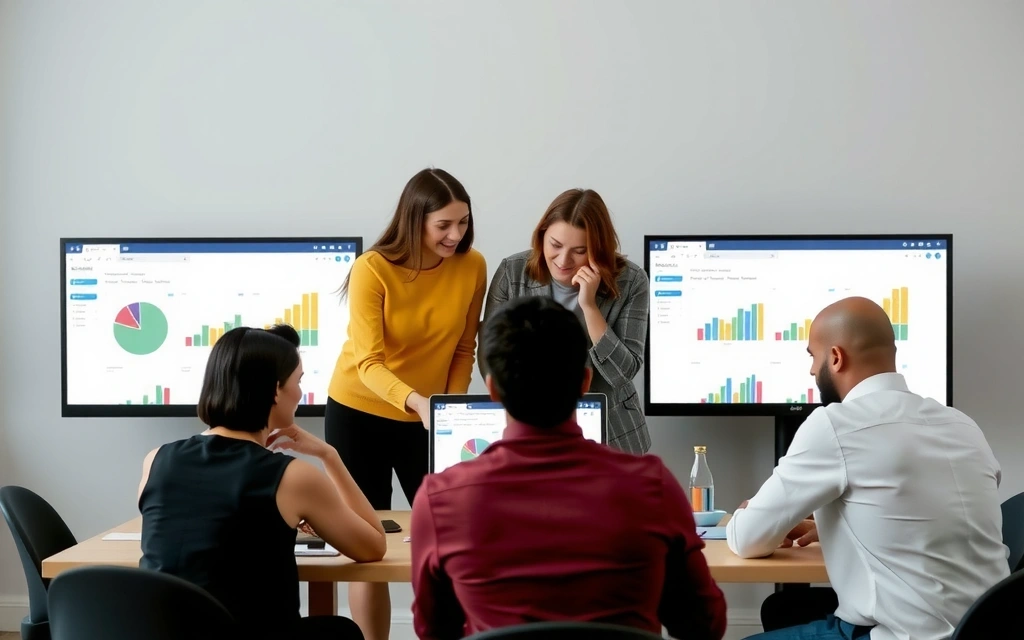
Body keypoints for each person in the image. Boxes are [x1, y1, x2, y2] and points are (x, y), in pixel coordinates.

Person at [411, 296, 727, 640]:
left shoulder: (441, 499)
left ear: (492, 390)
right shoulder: (652, 486)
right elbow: (704, 624)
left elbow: (433, 631)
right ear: (585, 382)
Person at [727, 297, 1009, 640]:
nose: (812, 371)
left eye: (813, 357)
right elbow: (941, 513)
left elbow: (747, 540)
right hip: (990, 628)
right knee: (782, 608)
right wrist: (842, 524)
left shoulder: (835, 424)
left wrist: (747, 514)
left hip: (899, 634)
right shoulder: (962, 424)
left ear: (836, 357)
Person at [137, 325, 386, 640]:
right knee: (342, 631)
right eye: (298, 381)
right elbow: (373, 547)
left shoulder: (156, 460)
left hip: (161, 632)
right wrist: (329, 455)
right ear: (275, 391)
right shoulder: (292, 477)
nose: (301, 393)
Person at [326, 167, 487, 640]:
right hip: (359, 410)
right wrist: (418, 403)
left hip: (429, 416)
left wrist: (448, 412)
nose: (455, 235)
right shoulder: (372, 268)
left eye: (463, 222)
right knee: (367, 543)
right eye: (443, 225)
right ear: (415, 221)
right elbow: (368, 361)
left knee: (447, 537)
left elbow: (464, 348)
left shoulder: (472, 265)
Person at [481, 188, 651, 454]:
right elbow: (490, 357)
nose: (563, 260)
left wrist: (590, 307)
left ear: (598, 250)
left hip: (613, 427)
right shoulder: (512, 272)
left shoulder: (632, 281)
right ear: (542, 236)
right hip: (528, 425)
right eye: (555, 245)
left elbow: (622, 374)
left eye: (579, 251)